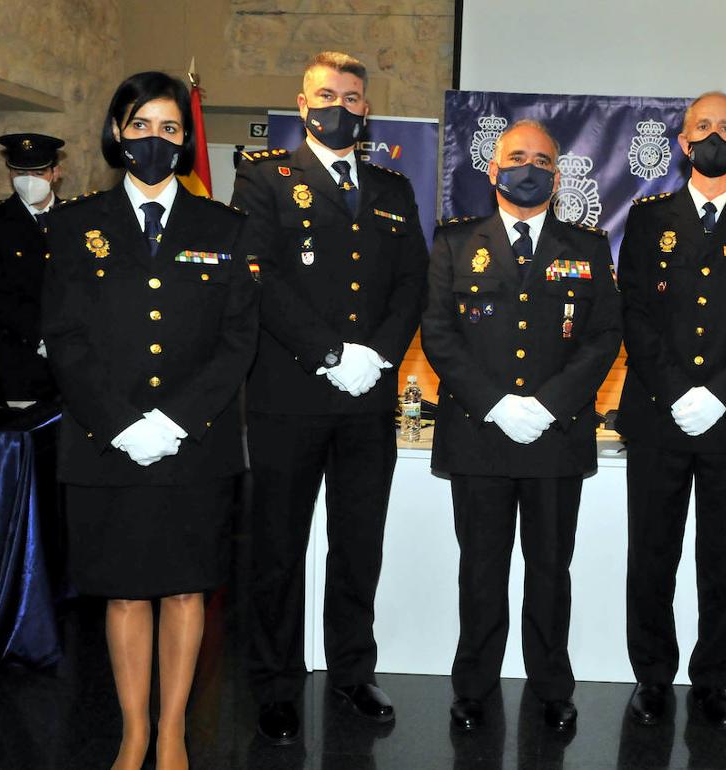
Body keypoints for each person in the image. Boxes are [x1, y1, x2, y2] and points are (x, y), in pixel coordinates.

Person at [40, 72, 259, 770]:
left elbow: (238, 339)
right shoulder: (75, 225)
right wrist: (123, 424)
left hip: (194, 444)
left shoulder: (224, 227)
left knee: (187, 587)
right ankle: (134, 731)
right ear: (116, 134)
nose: (154, 140)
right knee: (128, 592)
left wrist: (178, 421)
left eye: (169, 128)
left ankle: (172, 733)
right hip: (107, 444)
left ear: (185, 139)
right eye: (141, 126)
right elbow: (65, 337)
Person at [231, 51, 429, 744]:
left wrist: (375, 357)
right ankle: (276, 682)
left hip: (367, 400)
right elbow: (258, 277)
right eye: (325, 94)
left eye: (351, 97)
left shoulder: (391, 188)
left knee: (356, 545)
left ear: (365, 109)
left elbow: (413, 283)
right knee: (279, 548)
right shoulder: (264, 180)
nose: (338, 107)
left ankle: (352, 671)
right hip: (289, 395)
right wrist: (329, 353)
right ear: (301, 100)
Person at [421, 119, 621, 733]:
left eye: (540, 160)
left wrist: (548, 405)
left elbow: (604, 336)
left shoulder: (586, 247)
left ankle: (551, 687)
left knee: (549, 571)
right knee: (480, 570)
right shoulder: (455, 242)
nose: (527, 168)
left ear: (557, 178)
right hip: (479, 436)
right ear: (492, 169)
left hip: (555, 440)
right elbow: (438, 333)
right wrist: (495, 404)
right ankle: (474, 687)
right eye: (516, 157)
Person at [616, 91, 726, 731]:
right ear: (683, 142)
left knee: (724, 558)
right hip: (659, 414)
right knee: (652, 555)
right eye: (702, 127)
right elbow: (633, 310)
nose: (713, 137)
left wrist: (720, 392)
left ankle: (713, 680)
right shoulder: (647, 217)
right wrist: (675, 391)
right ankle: (653, 679)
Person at [0, 132, 65, 403]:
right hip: (21, 367)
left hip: (77, 364)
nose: (29, 180)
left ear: (55, 172)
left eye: (38, 171)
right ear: (10, 172)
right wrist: (43, 335)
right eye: (21, 172)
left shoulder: (77, 220)